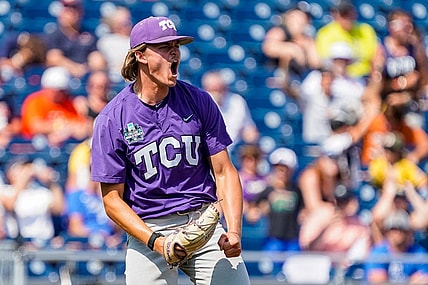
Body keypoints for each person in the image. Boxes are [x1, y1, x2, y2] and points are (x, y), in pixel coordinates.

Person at [90, 16, 250, 284]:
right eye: (164, 47)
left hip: (203, 222)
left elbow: (224, 171)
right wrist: (155, 242)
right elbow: (112, 200)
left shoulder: (198, 100)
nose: (174, 51)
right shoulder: (112, 118)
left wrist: (233, 231)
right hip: (149, 228)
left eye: (176, 45)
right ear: (140, 55)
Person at [253, 147, 303, 275]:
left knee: (293, 272)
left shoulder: (297, 190)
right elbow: (254, 208)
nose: (282, 172)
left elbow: (304, 210)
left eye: (285, 168)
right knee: (270, 272)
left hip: (292, 239)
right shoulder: (268, 190)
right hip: (273, 239)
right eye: (279, 168)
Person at [0, 156, 64, 244]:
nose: (26, 172)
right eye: (21, 169)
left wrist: (51, 182)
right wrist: (22, 180)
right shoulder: (6, 191)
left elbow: (58, 209)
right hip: (19, 243)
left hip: (44, 243)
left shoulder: (41, 191)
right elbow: (10, 205)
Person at [20, 66, 91, 146]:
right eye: (56, 91)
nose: (59, 94)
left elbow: (82, 128)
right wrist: (62, 128)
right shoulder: (35, 101)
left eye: (62, 91)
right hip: (36, 147)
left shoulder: (71, 103)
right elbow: (35, 126)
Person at [261, 7, 321, 96]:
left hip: (301, 82)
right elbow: (268, 48)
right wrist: (293, 49)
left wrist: (307, 45)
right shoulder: (280, 31)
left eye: (303, 19)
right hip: (276, 78)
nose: (300, 22)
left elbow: (316, 62)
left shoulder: (308, 40)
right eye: (297, 18)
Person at [315, 0, 378, 80]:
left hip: (365, 78)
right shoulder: (325, 33)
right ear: (336, 15)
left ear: (355, 13)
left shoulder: (366, 30)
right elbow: (324, 62)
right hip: (337, 79)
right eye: (343, 15)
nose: (347, 18)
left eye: (349, 14)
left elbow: (377, 56)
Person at [201, 70, 259, 153]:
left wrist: (251, 138)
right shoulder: (200, 103)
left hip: (233, 150)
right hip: (208, 152)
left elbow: (248, 128)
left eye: (220, 89)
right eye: (213, 89)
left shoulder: (237, 101)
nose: (217, 93)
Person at [44, 0, 106, 78]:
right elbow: (53, 58)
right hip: (63, 75)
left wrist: (85, 68)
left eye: (74, 9)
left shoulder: (88, 34)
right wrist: (74, 68)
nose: (71, 13)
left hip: (85, 71)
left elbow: (96, 57)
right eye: (67, 10)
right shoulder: (54, 35)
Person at [365, 210, 428, 284]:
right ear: (386, 232)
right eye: (392, 229)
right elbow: (378, 281)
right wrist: (409, 282)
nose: (397, 233)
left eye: (401, 229)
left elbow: (424, 278)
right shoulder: (378, 252)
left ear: (408, 232)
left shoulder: (418, 252)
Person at [97, 5, 133, 83]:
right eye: (125, 23)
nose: (129, 24)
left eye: (129, 21)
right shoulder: (106, 41)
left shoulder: (133, 40)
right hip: (112, 77)